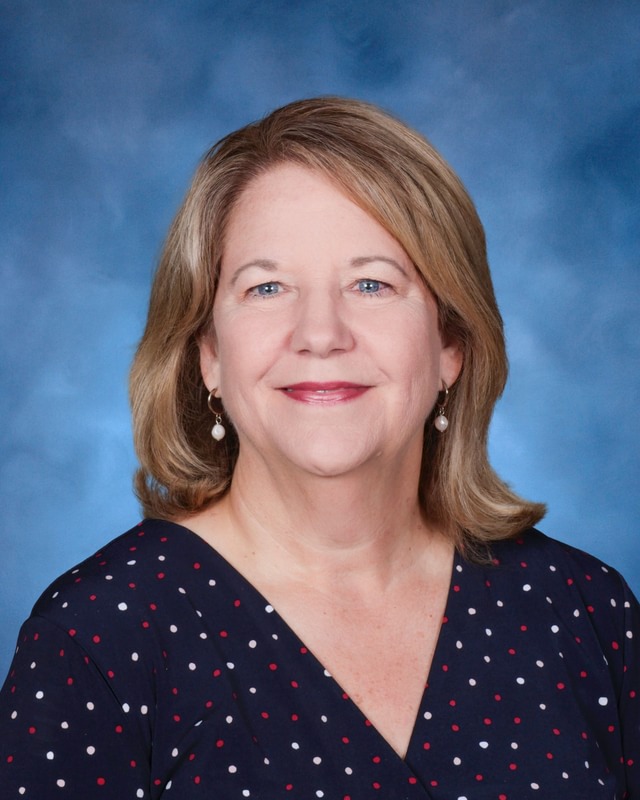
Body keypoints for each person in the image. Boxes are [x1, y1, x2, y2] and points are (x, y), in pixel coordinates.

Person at [1, 97, 638, 799]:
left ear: (451, 344)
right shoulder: (98, 640)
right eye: (267, 287)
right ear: (208, 352)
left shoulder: (582, 610)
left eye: (372, 283)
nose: (321, 333)